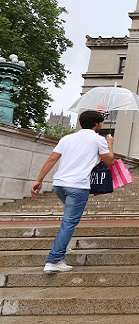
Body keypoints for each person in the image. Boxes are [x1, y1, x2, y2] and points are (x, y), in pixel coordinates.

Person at [31, 110, 114, 274]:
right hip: (78, 186)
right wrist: (109, 143)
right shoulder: (98, 140)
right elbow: (109, 160)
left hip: (60, 185)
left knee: (68, 220)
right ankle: (54, 260)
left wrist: (39, 180)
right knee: (69, 222)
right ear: (97, 124)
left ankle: (61, 246)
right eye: (101, 124)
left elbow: (52, 159)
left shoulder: (67, 138)